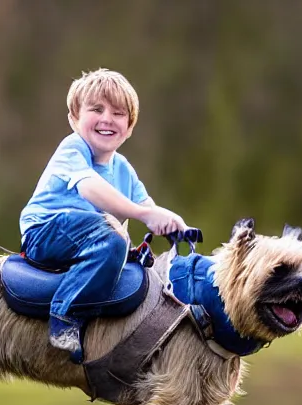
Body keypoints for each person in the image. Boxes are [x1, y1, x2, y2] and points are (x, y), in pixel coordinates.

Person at [19, 68, 188, 362]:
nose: (107, 118)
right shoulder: (73, 148)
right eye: (96, 109)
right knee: (111, 235)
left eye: (119, 113)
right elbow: (91, 190)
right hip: (45, 233)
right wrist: (141, 214)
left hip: (94, 241)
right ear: (74, 119)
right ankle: (65, 314)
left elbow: (148, 205)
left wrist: (172, 223)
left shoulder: (123, 168)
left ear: (129, 126)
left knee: (118, 244)